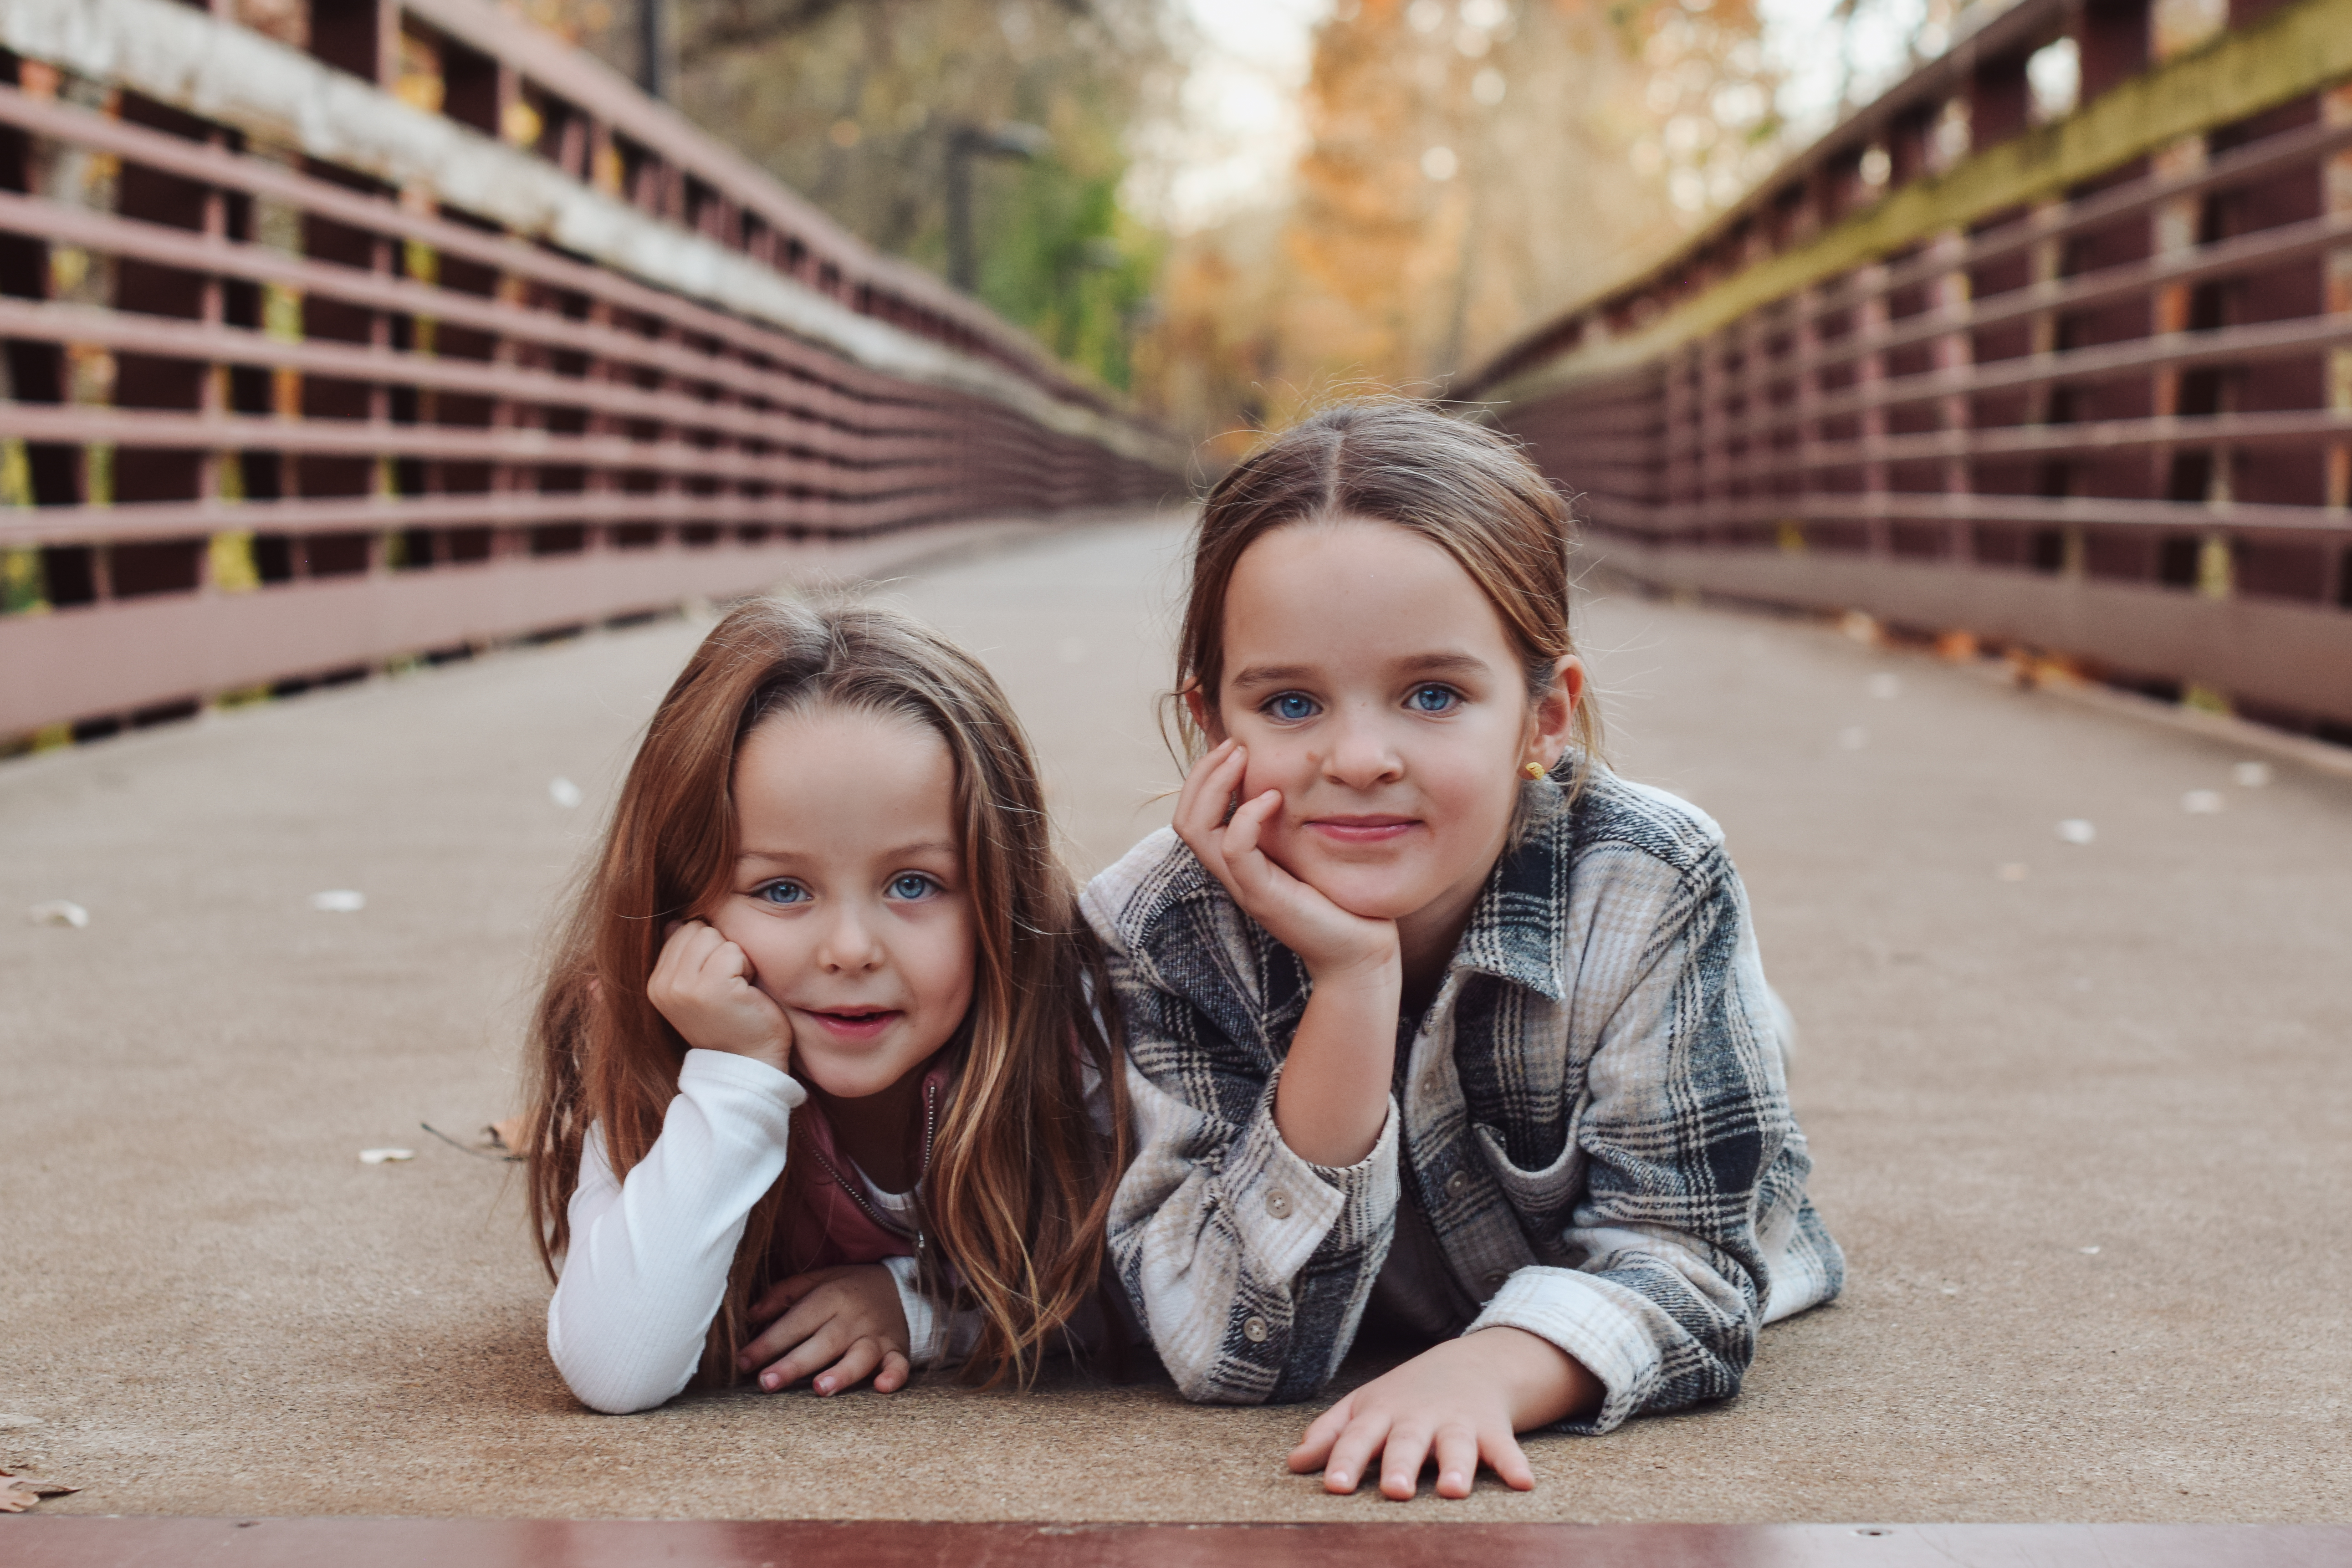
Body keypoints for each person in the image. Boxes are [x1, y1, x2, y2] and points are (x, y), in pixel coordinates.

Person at [1084, 400, 1843, 1500]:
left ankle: (1732, 1036)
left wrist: (1493, 1369)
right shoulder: (1155, 930)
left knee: (1702, 1099)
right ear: (1212, 726)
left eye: (1432, 695)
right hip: (1369, 1250)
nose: (1357, 757)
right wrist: (1348, 983)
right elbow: (1220, 1344)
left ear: (1544, 718)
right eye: (1289, 702)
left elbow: (1687, 1263)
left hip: (1629, 1124)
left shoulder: (1648, 880)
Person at [522, 598, 1125, 1414]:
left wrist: (923, 1311)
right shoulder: (657, 1070)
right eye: (781, 889)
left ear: (1000, 892)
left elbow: (1152, 1292)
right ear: (676, 913)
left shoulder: (1072, 1040)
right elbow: (616, 1365)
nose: (849, 949)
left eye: (914, 884)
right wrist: (732, 1083)